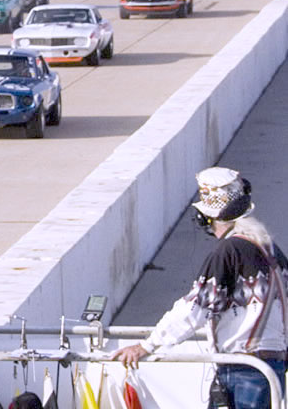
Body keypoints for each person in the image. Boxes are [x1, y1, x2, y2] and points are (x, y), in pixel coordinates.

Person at [113, 166, 288, 409]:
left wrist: (147, 345)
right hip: (273, 368)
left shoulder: (228, 251)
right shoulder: (271, 250)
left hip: (243, 370)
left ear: (206, 216)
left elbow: (195, 308)